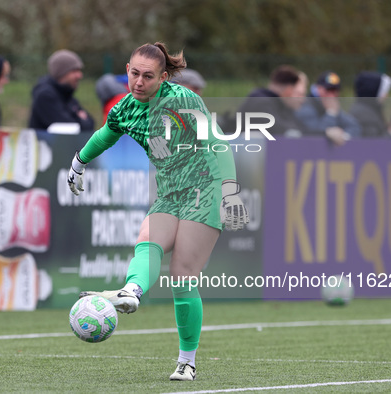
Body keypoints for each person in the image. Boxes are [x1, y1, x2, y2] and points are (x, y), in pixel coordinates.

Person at [66, 42, 249, 381]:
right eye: (134, 73)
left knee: (182, 273)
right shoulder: (124, 108)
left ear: (163, 77)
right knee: (147, 238)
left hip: (205, 188)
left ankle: (187, 361)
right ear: (126, 70)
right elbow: (106, 135)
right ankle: (132, 292)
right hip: (171, 192)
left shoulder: (182, 100)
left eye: (148, 76)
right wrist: (78, 163)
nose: (138, 82)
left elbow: (217, 144)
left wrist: (229, 192)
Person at [28, 49, 94, 131]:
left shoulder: (66, 95)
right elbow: (69, 129)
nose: (80, 75)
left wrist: (78, 120)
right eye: (74, 71)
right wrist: (79, 117)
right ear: (61, 73)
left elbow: (91, 123)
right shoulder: (45, 96)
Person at [237, 65, 308, 136]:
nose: (302, 99)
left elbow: (300, 128)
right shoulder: (261, 103)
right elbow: (278, 130)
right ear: (288, 90)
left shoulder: (281, 107)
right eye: (298, 93)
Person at [296, 71, 361, 146]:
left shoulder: (333, 106)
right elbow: (315, 133)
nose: (332, 95)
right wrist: (331, 113)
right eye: (328, 90)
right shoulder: (306, 105)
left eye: (335, 91)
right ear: (318, 89)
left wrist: (343, 136)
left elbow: (354, 127)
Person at [349, 71, 391, 138]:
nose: (386, 96)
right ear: (373, 92)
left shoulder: (371, 110)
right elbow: (373, 144)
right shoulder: (364, 115)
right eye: (383, 92)